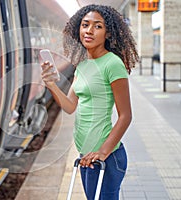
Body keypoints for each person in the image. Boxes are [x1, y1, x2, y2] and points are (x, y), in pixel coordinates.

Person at [41, 4, 138, 200]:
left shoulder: (113, 64)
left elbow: (125, 116)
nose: (89, 31)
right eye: (85, 25)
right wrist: (51, 85)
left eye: (97, 26)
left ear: (108, 33)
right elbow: (70, 106)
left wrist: (103, 152)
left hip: (107, 157)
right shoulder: (82, 65)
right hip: (86, 156)